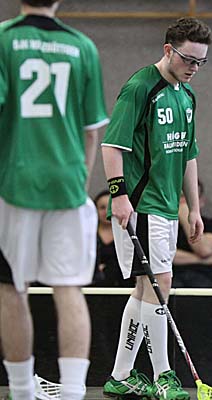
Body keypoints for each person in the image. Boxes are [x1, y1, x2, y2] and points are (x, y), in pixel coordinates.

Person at [0, 0, 109, 398]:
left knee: (11, 288)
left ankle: (21, 391)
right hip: (68, 183)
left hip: (14, 181)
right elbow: (91, 130)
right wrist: (79, 184)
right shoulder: (82, 46)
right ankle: (73, 393)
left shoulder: (4, 39)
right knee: (69, 289)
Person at [100, 17, 212, 400]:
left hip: (166, 207)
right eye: (188, 59)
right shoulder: (140, 88)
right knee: (160, 285)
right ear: (168, 50)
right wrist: (118, 196)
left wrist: (193, 208)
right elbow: (112, 145)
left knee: (145, 289)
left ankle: (120, 375)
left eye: (200, 62)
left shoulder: (187, 95)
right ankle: (164, 375)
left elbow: (189, 154)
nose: (194, 67)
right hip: (141, 204)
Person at [172, 180, 212, 288]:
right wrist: (203, 260)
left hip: (202, 280)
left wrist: (187, 218)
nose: (185, 202)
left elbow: (204, 249)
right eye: (182, 197)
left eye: (191, 197)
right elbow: (163, 256)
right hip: (172, 278)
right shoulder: (164, 227)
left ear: (201, 201)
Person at [93, 190, 134, 287]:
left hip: (124, 286)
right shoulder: (89, 234)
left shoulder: (128, 233)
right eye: (102, 208)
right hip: (95, 286)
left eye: (110, 207)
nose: (107, 211)